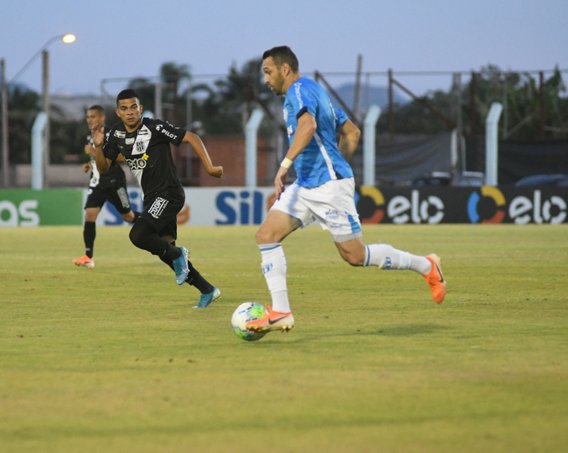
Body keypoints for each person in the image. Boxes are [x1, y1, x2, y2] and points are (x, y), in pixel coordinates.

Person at [246, 46, 446, 334]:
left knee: (354, 255)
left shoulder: (298, 92)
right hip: (307, 185)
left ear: (285, 69)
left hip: (326, 187)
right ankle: (281, 312)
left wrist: (284, 166)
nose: (265, 79)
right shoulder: (318, 93)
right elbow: (352, 132)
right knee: (266, 235)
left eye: (268, 72)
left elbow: (307, 126)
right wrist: (337, 164)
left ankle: (426, 265)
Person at [91, 89, 224, 308]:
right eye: (124, 108)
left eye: (134, 107)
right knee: (166, 250)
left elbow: (191, 137)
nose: (130, 112)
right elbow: (104, 167)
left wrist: (209, 167)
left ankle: (178, 253)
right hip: (151, 198)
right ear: (118, 112)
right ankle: (207, 289)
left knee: (139, 234)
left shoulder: (154, 127)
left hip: (169, 193)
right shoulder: (115, 135)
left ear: (140, 108)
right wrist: (98, 146)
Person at [73, 105, 139, 269]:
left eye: (93, 116)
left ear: (102, 118)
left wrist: (94, 153)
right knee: (89, 216)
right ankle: (88, 257)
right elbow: (100, 160)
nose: (90, 120)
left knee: (128, 217)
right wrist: (90, 164)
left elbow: (123, 156)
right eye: (88, 117)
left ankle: (156, 227)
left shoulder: (112, 134)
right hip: (97, 183)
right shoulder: (91, 137)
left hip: (114, 182)